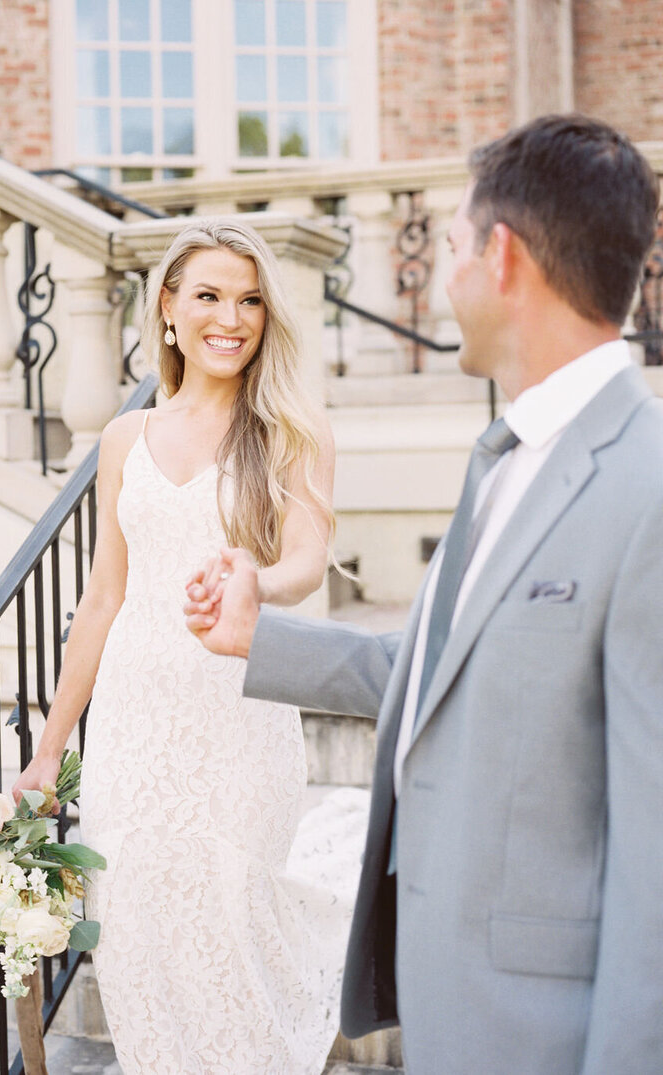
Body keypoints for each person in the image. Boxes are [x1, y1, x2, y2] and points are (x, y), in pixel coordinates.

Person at [185, 114, 663, 1074]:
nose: (441, 280)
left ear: (503, 257)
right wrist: (257, 634)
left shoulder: (646, 488)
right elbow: (444, 676)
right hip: (452, 1013)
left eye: (449, 247)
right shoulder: (504, 462)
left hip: (550, 1040)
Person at [13, 218, 368, 1074]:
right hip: (132, 729)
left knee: (234, 939)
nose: (231, 318)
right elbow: (103, 599)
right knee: (135, 945)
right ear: (167, 307)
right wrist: (50, 747)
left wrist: (255, 575)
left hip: (238, 721)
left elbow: (306, 564)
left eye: (249, 300)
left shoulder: (291, 426)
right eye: (208, 295)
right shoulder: (124, 440)